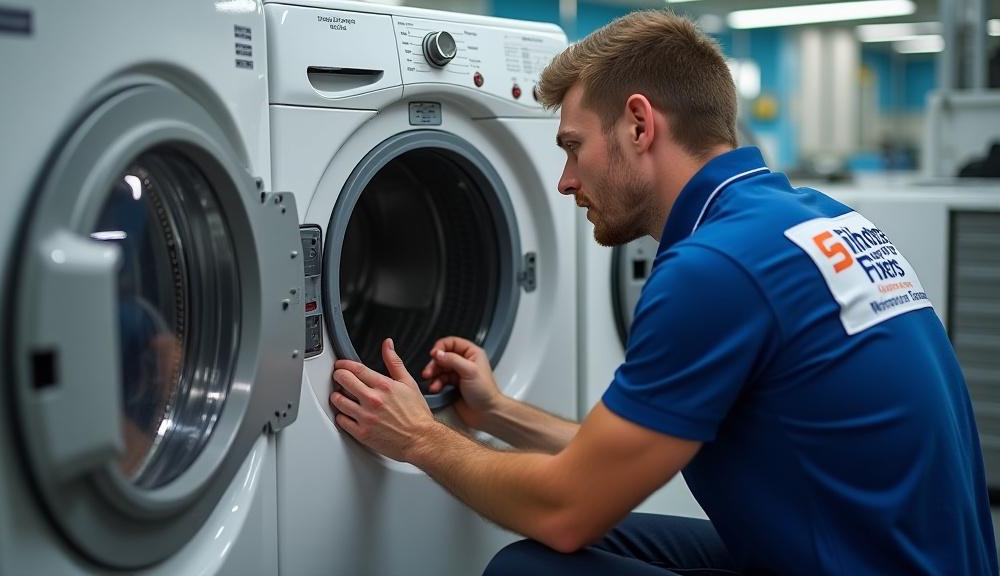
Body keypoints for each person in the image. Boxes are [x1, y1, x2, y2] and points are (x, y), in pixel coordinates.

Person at [328, 10, 998, 575]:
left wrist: (420, 439)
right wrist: (498, 412)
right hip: (901, 554)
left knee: (528, 566)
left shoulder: (714, 269)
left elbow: (567, 510)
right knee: (601, 534)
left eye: (573, 146)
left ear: (639, 125)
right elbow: (625, 455)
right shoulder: (811, 220)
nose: (565, 180)